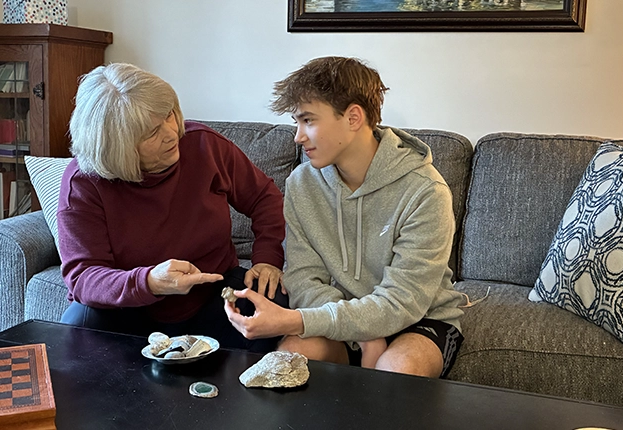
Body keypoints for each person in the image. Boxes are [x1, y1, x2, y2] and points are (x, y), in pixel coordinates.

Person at [224, 56, 467, 377]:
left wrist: (295, 320)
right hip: (337, 310)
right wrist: (365, 335)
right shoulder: (301, 183)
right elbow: (303, 276)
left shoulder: (425, 191)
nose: (298, 136)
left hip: (419, 318)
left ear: (353, 117)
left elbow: (402, 301)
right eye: (297, 122)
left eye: (308, 120)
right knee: (292, 358)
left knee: (397, 370)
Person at [58, 62, 287, 352]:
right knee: (78, 324)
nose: (170, 132)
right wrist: (149, 281)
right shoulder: (84, 183)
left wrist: (267, 258)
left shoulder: (204, 145)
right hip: (128, 310)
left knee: (278, 305)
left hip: (214, 294)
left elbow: (264, 197)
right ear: (117, 146)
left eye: (169, 114)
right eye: (152, 132)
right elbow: (83, 276)